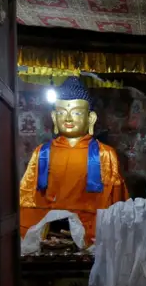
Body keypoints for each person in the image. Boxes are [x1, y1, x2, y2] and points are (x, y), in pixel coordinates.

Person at [19, 77, 129, 244]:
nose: (68, 119)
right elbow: (27, 200)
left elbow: (117, 204)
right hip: (49, 236)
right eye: (62, 112)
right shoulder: (42, 153)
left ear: (91, 118)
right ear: (54, 117)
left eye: (77, 112)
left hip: (92, 235)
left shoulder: (105, 154)